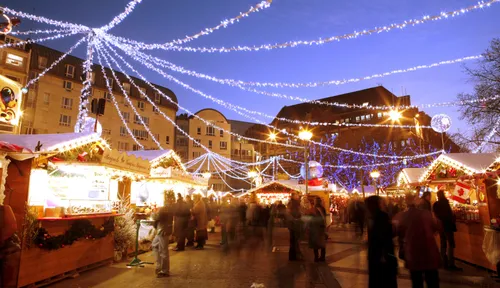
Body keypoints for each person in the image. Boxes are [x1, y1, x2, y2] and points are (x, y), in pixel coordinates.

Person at [398, 194, 441, 288]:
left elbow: (397, 231)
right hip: (429, 252)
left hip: (413, 254)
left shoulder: (403, 216)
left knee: (417, 282)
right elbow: (437, 226)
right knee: (432, 281)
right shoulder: (427, 214)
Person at [365, 196, 398, 288]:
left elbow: (381, 236)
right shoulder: (379, 216)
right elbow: (386, 235)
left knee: (377, 280)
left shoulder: (376, 217)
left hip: (378, 255)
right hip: (381, 255)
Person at [433, 190, 462, 271]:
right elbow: (450, 214)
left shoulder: (436, 204)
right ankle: (451, 263)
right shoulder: (445, 203)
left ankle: (443, 262)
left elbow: (436, 215)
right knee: (451, 244)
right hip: (448, 225)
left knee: (443, 244)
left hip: (441, 226)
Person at [152, 203, 173, 278]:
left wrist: (153, 212)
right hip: (161, 231)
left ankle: (164, 271)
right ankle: (159, 266)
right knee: (155, 245)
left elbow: (155, 217)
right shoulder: (166, 210)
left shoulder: (163, 211)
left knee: (163, 251)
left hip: (162, 231)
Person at [309, 197, 327, 262]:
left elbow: (310, 219)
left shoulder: (313, 209)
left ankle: (316, 257)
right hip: (321, 228)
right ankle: (322, 257)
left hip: (314, 228)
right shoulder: (323, 209)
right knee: (322, 243)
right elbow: (324, 218)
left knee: (315, 244)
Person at [287, 192, 303, 261]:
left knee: (293, 240)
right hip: (295, 224)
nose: (297, 196)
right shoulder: (294, 204)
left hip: (292, 224)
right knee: (295, 240)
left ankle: (292, 256)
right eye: (296, 195)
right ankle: (295, 256)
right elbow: (297, 213)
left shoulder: (291, 203)